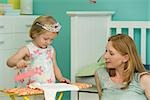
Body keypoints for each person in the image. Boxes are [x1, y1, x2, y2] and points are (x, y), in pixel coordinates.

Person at [7, 16, 70, 87]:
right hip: (31, 87)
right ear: (34, 34)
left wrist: (61, 78)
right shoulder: (28, 49)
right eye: (45, 39)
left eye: (51, 40)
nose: (48, 42)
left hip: (48, 86)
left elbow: (55, 66)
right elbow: (9, 62)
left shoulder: (51, 50)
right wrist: (17, 62)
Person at [95, 34, 150, 100]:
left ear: (125, 58)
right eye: (106, 51)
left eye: (111, 53)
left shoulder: (144, 79)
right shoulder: (100, 74)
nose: (105, 56)